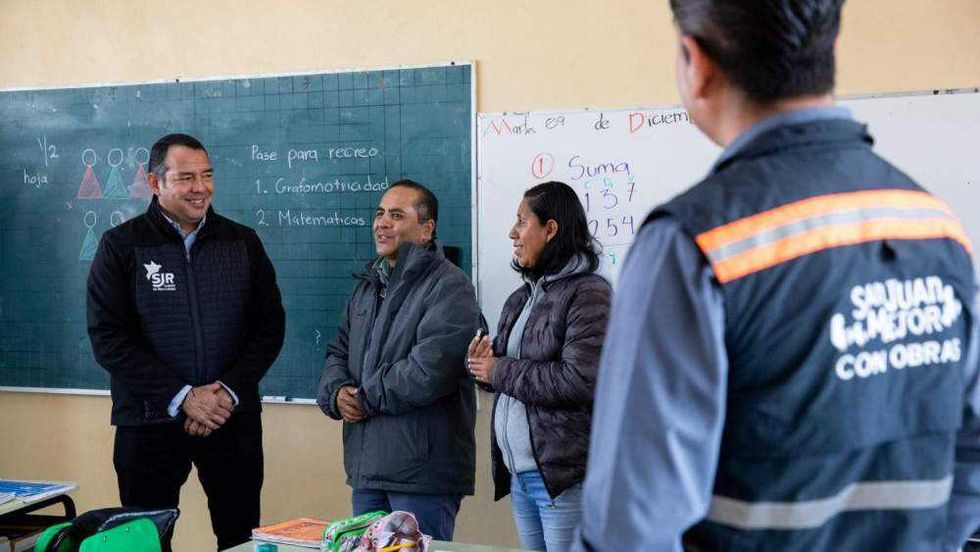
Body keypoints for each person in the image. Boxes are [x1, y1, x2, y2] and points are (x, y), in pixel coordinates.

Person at [574, 1, 980, 551]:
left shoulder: (693, 244)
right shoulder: (936, 228)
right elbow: (970, 458)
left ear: (696, 61)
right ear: (828, 50)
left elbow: (632, 528)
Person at [87, 133, 286, 551]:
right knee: (145, 540)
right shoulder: (121, 245)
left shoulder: (242, 242)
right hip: (148, 423)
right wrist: (181, 396)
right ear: (154, 182)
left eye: (207, 176)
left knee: (240, 537)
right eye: (186, 177)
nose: (200, 188)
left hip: (230, 417)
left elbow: (269, 327)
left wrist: (225, 393)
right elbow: (109, 337)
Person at [316, 179, 481, 542]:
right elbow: (337, 352)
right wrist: (337, 392)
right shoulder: (367, 285)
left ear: (426, 229)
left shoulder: (450, 287)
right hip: (367, 469)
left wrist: (363, 396)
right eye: (379, 214)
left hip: (421, 475)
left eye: (396, 215)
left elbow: (429, 371)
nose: (382, 223)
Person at [467, 181, 610, 552]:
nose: (511, 233)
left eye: (521, 222)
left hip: (563, 478)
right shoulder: (521, 297)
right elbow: (504, 375)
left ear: (550, 229)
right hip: (520, 476)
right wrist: (481, 365)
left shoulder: (589, 293)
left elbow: (579, 380)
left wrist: (498, 370)